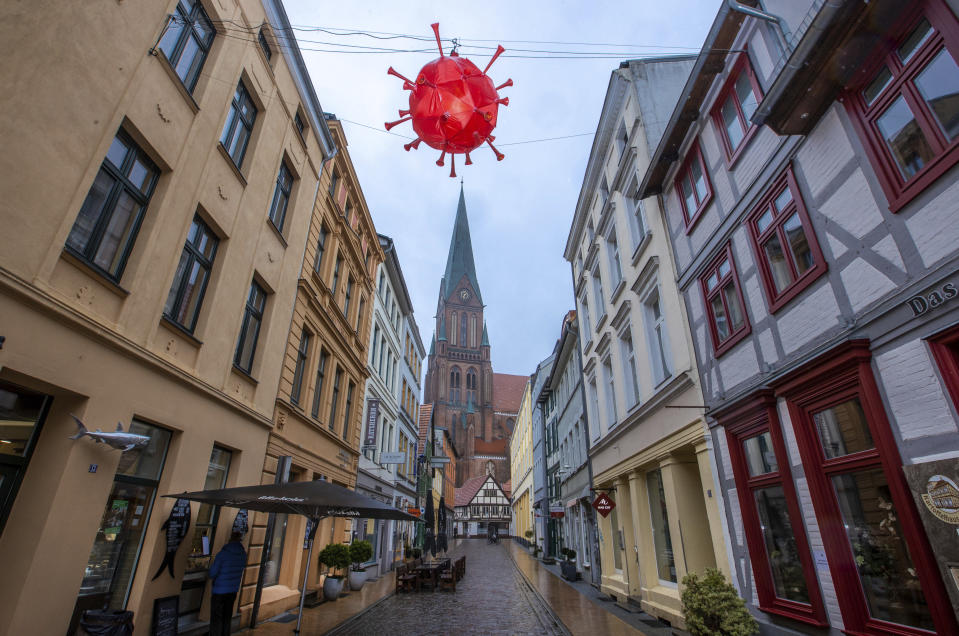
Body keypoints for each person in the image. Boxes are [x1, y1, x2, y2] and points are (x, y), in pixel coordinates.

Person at [209, 532, 247, 636]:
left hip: (219, 591)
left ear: (230, 540)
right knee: (227, 617)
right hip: (233, 590)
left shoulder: (223, 553)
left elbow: (212, 573)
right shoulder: (243, 554)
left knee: (216, 618)